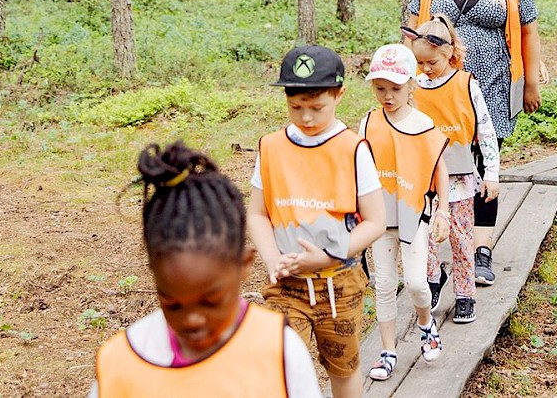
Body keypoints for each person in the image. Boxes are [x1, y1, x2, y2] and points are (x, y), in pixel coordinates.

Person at [90, 141, 322, 398]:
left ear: (244, 266)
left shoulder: (279, 350)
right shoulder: (120, 365)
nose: (192, 320)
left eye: (211, 301)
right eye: (172, 303)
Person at [408, 0, 546, 286]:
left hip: (492, 84)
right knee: (439, 163)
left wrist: (530, 83)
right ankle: (435, 249)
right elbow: (412, 30)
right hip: (439, 90)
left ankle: (480, 249)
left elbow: (529, 31)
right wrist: (409, 81)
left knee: (486, 165)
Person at [247, 45, 386, 398]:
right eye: (296, 107)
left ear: (339, 94)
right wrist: (272, 260)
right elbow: (258, 213)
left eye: (316, 108)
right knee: (280, 369)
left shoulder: (353, 149)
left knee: (344, 367)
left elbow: (375, 221)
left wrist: (329, 256)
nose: (306, 118)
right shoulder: (271, 147)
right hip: (286, 284)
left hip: (339, 284)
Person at [359, 43, 451, 381]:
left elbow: (439, 168)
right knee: (383, 284)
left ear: (412, 84)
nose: (387, 95)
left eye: (395, 89)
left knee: (415, 282)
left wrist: (442, 210)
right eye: (380, 88)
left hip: (414, 214)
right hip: (380, 218)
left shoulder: (424, 124)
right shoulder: (367, 123)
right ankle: (388, 352)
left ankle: (427, 325)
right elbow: (359, 167)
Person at [404, 15, 500, 325]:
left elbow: (485, 130)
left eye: (431, 61)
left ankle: (465, 294)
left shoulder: (465, 84)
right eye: (419, 62)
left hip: (460, 176)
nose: (425, 68)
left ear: (449, 52)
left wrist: (491, 173)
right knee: (425, 238)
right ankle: (433, 280)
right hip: (423, 177)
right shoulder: (414, 87)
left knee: (460, 238)